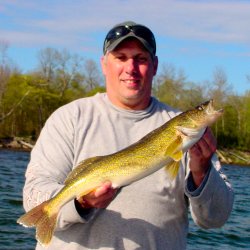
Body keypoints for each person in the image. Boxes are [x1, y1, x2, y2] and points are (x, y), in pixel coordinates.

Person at [22, 21, 234, 250]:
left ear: (155, 66)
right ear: (104, 64)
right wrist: (80, 203)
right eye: (121, 57)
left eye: (141, 59)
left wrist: (202, 171)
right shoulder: (69, 118)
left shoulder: (191, 140)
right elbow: (32, 194)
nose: (130, 68)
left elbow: (216, 218)